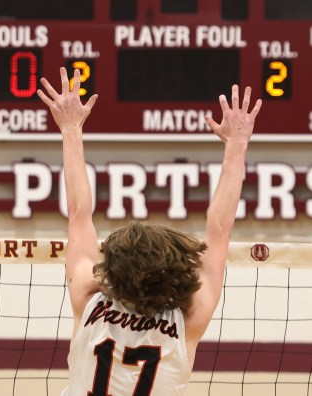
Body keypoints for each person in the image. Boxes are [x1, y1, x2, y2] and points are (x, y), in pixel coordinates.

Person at [37, 68, 262, 395]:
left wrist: (71, 128)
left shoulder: (87, 297)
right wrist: (237, 144)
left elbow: (78, 213)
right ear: (171, 269)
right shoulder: (189, 318)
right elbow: (220, 230)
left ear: (113, 266)